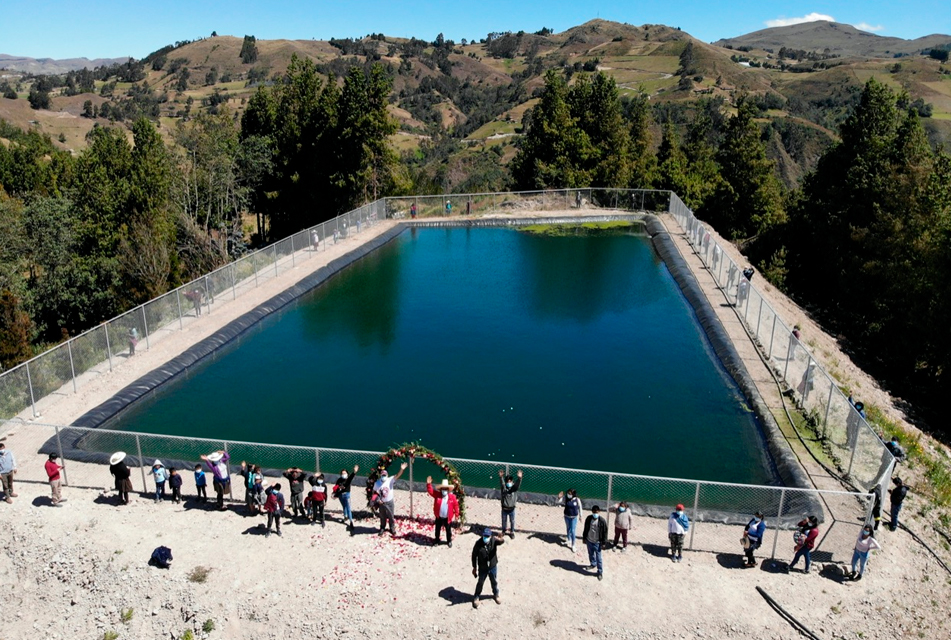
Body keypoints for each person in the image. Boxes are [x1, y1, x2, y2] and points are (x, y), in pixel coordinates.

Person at [471, 527, 504, 608]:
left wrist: (501, 539)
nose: (486, 538)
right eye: (484, 536)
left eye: (487, 536)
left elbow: (501, 542)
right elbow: (474, 556)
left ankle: (496, 594)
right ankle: (476, 596)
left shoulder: (493, 540)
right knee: (480, 582)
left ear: (490, 536)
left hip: (492, 566)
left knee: (494, 581)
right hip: (482, 568)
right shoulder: (478, 544)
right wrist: (474, 567)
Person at [372, 462, 408, 537]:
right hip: (381, 503)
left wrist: (401, 469)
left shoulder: (390, 480)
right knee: (382, 516)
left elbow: (397, 475)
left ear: (387, 475)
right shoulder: (377, 483)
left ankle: (392, 528)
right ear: (380, 476)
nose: (383, 476)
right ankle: (382, 528)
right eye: (382, 475)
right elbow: (374, 492)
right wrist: (378, 500)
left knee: (391, 516)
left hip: (389, 502)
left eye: (385, 475)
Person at [426, 477, 460, 547]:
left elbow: (456, 506)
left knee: (448, 530)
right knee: (437, 529)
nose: (444, 490)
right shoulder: (437, 495)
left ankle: (449, 541)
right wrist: (429, 484)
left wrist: (457, 515)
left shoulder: (452, 497)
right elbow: (431, 491)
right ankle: (437, 540)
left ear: (448, 490)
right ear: (441, 490)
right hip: (439, 517)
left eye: (445, 489)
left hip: (447, 518)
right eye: (443, 489)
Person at [582, 505, 608, 580]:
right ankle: (593, 564)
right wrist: (584, 538)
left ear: (599, 511)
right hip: (589, 540)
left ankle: (600, 572)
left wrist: (603, 543)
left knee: (599, 558)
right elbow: (585, 528)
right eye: (593, 512)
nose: (595, 513)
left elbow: (604, 532)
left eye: (596, 512)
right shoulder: (588, 518)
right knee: (590, 554)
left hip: (597, 542)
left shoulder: (602, 521)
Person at [333, 465, 359, 534]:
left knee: (348, 508)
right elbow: (336, 487)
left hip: (347, 495)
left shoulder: (348, 479)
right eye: (342, 473)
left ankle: (351, 521)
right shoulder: (339, 480)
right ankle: (345, 517)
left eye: (345, 473)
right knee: (344, 506)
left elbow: (352, 476)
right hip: (341, 495)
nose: (343, 474)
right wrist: (336, 493)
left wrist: (354, 472)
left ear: (347, 474)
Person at [498, 469, 523, 538]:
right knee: (504, 521)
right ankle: (503, 531)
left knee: (512, 521)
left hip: (512, 509)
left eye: (510, 481)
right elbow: (502, 483)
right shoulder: (504, 489)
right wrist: (501, 477)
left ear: (512, 481)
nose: (509, 482)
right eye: (508, 481)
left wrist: (520, 478)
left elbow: (517, 484)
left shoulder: (514, 489)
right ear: (506, 482)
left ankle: (512, 532)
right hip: (504, 509)